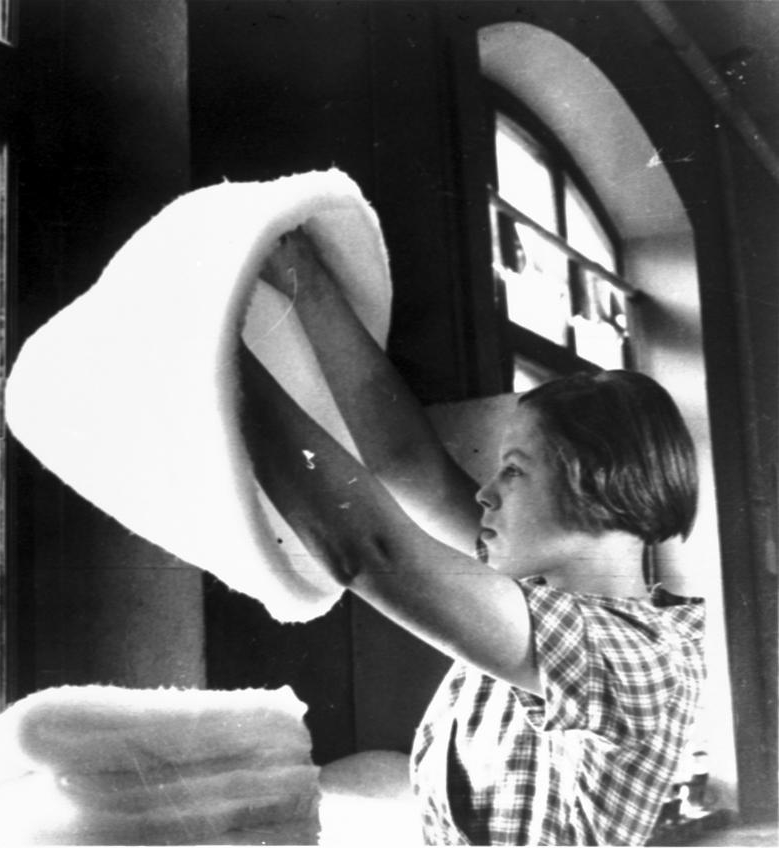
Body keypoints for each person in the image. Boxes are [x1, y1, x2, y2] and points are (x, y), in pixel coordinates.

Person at [239, 229, 705, 845]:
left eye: (513, 471)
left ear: (595, 488)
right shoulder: (543, 584)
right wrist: (300, 271)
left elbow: (369, 551)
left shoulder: (639, 657)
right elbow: (411, 467)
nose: (485, 493)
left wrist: (220, 362)